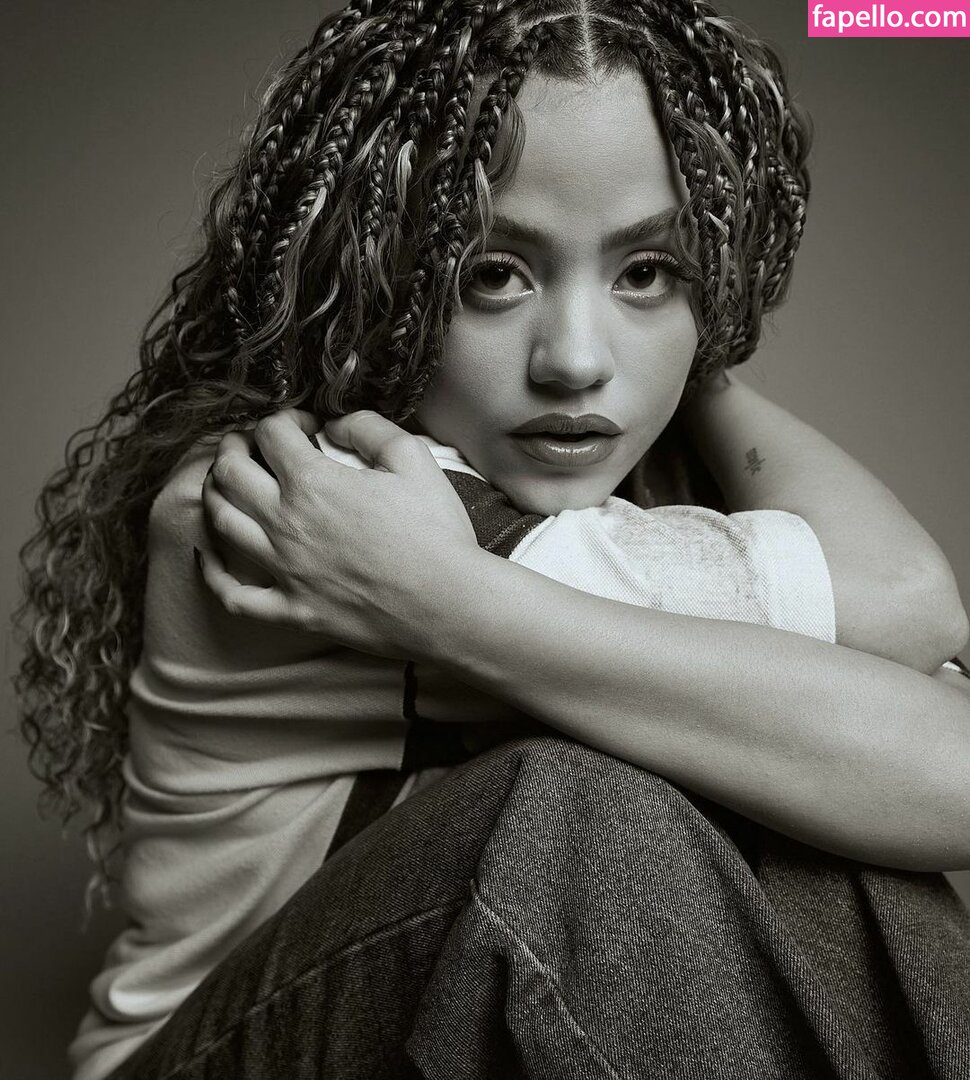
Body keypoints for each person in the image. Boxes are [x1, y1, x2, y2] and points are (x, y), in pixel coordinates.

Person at [14, 1, 970, 1077]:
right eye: (491, 273)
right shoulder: (304, 496)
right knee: (582, 804)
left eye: (647, 271)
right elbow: (921, 660)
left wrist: (447, 603)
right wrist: (445, 591)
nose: (575, 361)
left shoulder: (557, 499)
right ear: (374, 275)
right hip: (213, 1056)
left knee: (808, 794)